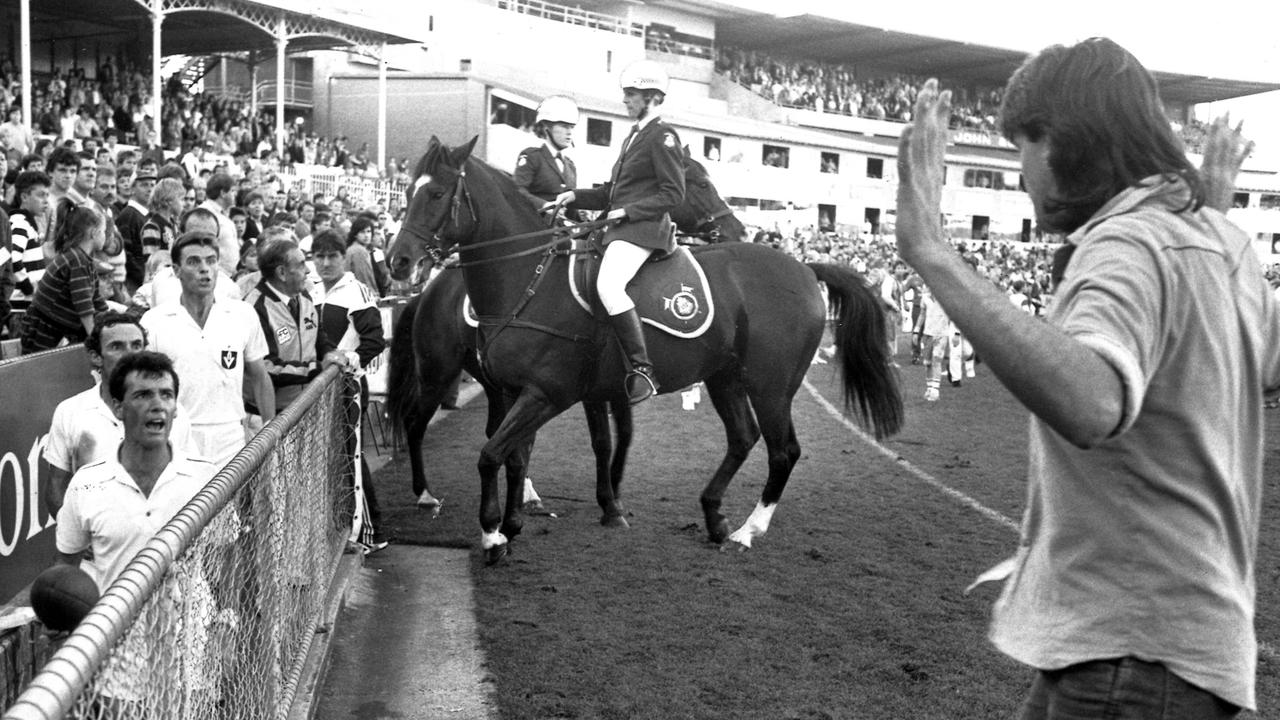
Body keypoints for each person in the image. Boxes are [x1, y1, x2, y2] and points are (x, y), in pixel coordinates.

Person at [894, 39, 1280, 717]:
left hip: (1128, 654)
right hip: (1183, 649)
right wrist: (1213, 209)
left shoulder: (1126, 241)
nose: (1020, 172)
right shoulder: (1228, 245)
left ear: (1066, 140)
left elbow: (1092, 400)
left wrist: (930, 248)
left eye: (1023, 146)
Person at [53, 350, 231, 715]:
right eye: (143, 395)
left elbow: (228, 556)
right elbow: (66, 565)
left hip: (190, 646)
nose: (158, 405)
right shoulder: (87, 485)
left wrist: (227, 623)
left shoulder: (205, 478)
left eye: (166, 395)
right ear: (118, 408)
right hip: (118, 650)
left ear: (177, 408)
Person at [554, 60, 685, 404]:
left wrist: (628, 210)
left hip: (643, 230)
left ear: (651, 97)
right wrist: (574, 195)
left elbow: (674, 193)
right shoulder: (633, 137)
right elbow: (612, 192)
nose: (625, 101)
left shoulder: (664, 136)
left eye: (631, 95)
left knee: (608, 285)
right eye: (626, 95)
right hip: (620, 229)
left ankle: (644, 370)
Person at [141, 232, 275, 466]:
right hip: (176, 436)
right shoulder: (154, 322)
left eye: (211, 260)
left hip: (231, 437)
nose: (205, 269)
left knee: (233, 502)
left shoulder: (242, 314)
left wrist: (270, 429)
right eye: (194, 261)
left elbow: (260, 376)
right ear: (176, 270)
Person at [42, 311, 193, 514]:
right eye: (117, 346)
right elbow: (56, 490)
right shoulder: (70, 412)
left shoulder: (173, 412)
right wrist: (76, 542)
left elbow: (192, 483)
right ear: (96, 356)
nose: (130, 354)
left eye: (136, 345)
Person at [310, 229, 389, 552]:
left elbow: (374, 340)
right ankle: (337, 525)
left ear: (344, 258)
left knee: (350, 456)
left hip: (348, 387)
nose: (326, 263)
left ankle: (371, 531)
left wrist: (345, 361)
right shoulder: (308, 289)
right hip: (315, 388)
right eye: (320, 256)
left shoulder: (356, 292)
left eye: (332, 256)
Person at [243, 237, 345, 411]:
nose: (307, 270)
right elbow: (267, 367)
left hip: (306, 407)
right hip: (270, 418)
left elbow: (318, 336)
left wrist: (330, 353)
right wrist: (316, 369)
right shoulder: (254, 308)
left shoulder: (303, 295)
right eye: (301, 264)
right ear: (282, 273)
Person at [20, 204, 108, 353]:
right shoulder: (77, 260)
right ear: (94, 233)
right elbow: (84, 307)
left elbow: (96, 299)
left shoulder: (83, 259)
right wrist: (96, 340)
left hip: (57, 328)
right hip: (45, 331)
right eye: (104, 232)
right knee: (39, 373)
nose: (105, 236)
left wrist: (113, 322)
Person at [514, 96, 579, 211]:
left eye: (572, 127)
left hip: (560, 227)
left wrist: (580, 214)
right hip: (535, 223)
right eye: (564, 127)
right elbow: (518, 190)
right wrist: (543, 205)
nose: (569, 132)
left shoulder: (571, 166)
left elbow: (569, 204)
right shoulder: (532, 156)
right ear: (546, 128)